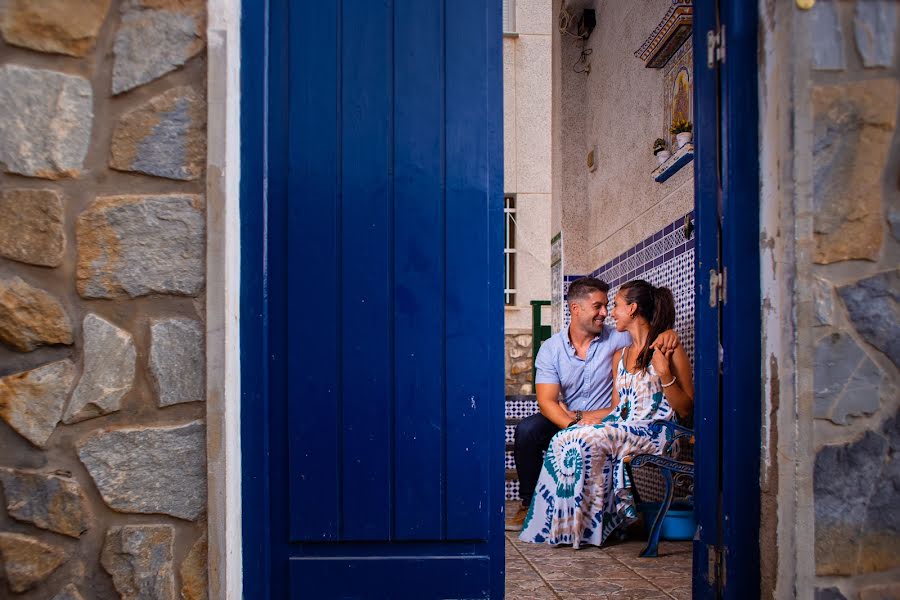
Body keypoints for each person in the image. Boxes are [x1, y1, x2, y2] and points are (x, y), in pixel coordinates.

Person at [518, 279, 694, 547]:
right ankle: (554, 522)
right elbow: (613, 408)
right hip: (604, 422)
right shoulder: (562, 349)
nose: (608, 312)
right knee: (552, 434)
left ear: (632, 308)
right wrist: (578, 420)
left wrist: (669, 340)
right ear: (576, 309)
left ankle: (593, 528)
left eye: (612, 305)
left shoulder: (642, 343)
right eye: (599, 306)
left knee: (584, 438)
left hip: (645, 430)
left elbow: (685, 406)